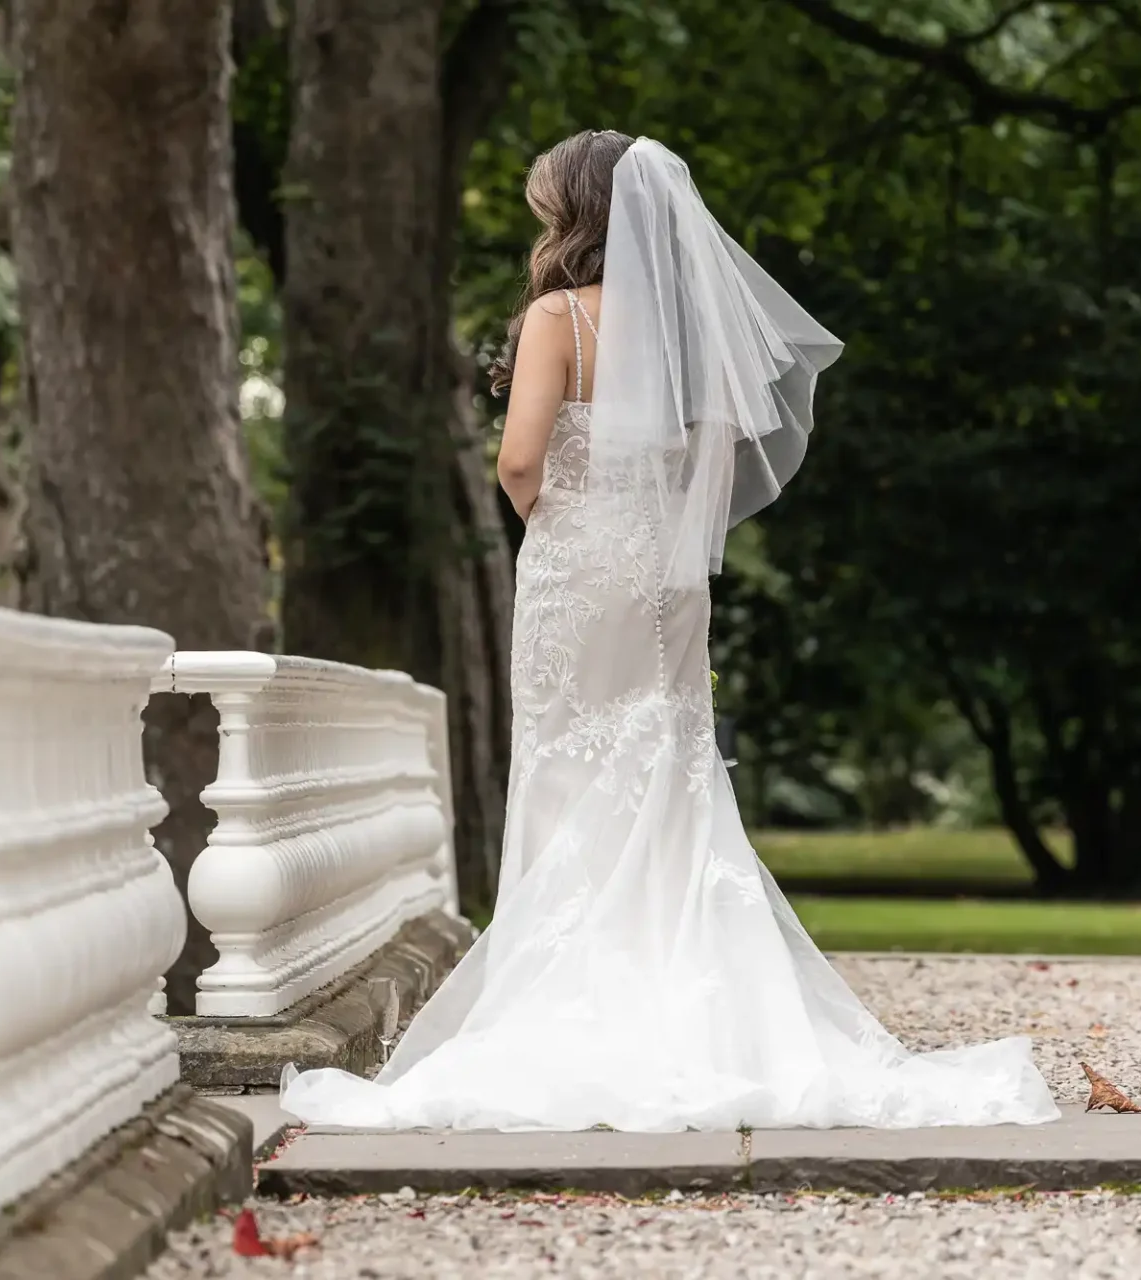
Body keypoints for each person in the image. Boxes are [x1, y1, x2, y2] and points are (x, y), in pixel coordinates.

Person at [280, 132, 1060, 1132]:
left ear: (580, 213)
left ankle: (579, 1004)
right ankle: (703, 1002)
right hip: (666, 574)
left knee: (568, 768)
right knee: (669, 762)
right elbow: (715, 470)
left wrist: (558, 520)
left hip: (578, 564)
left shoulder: (557, 316)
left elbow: (520, 459)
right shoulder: (690, 331)